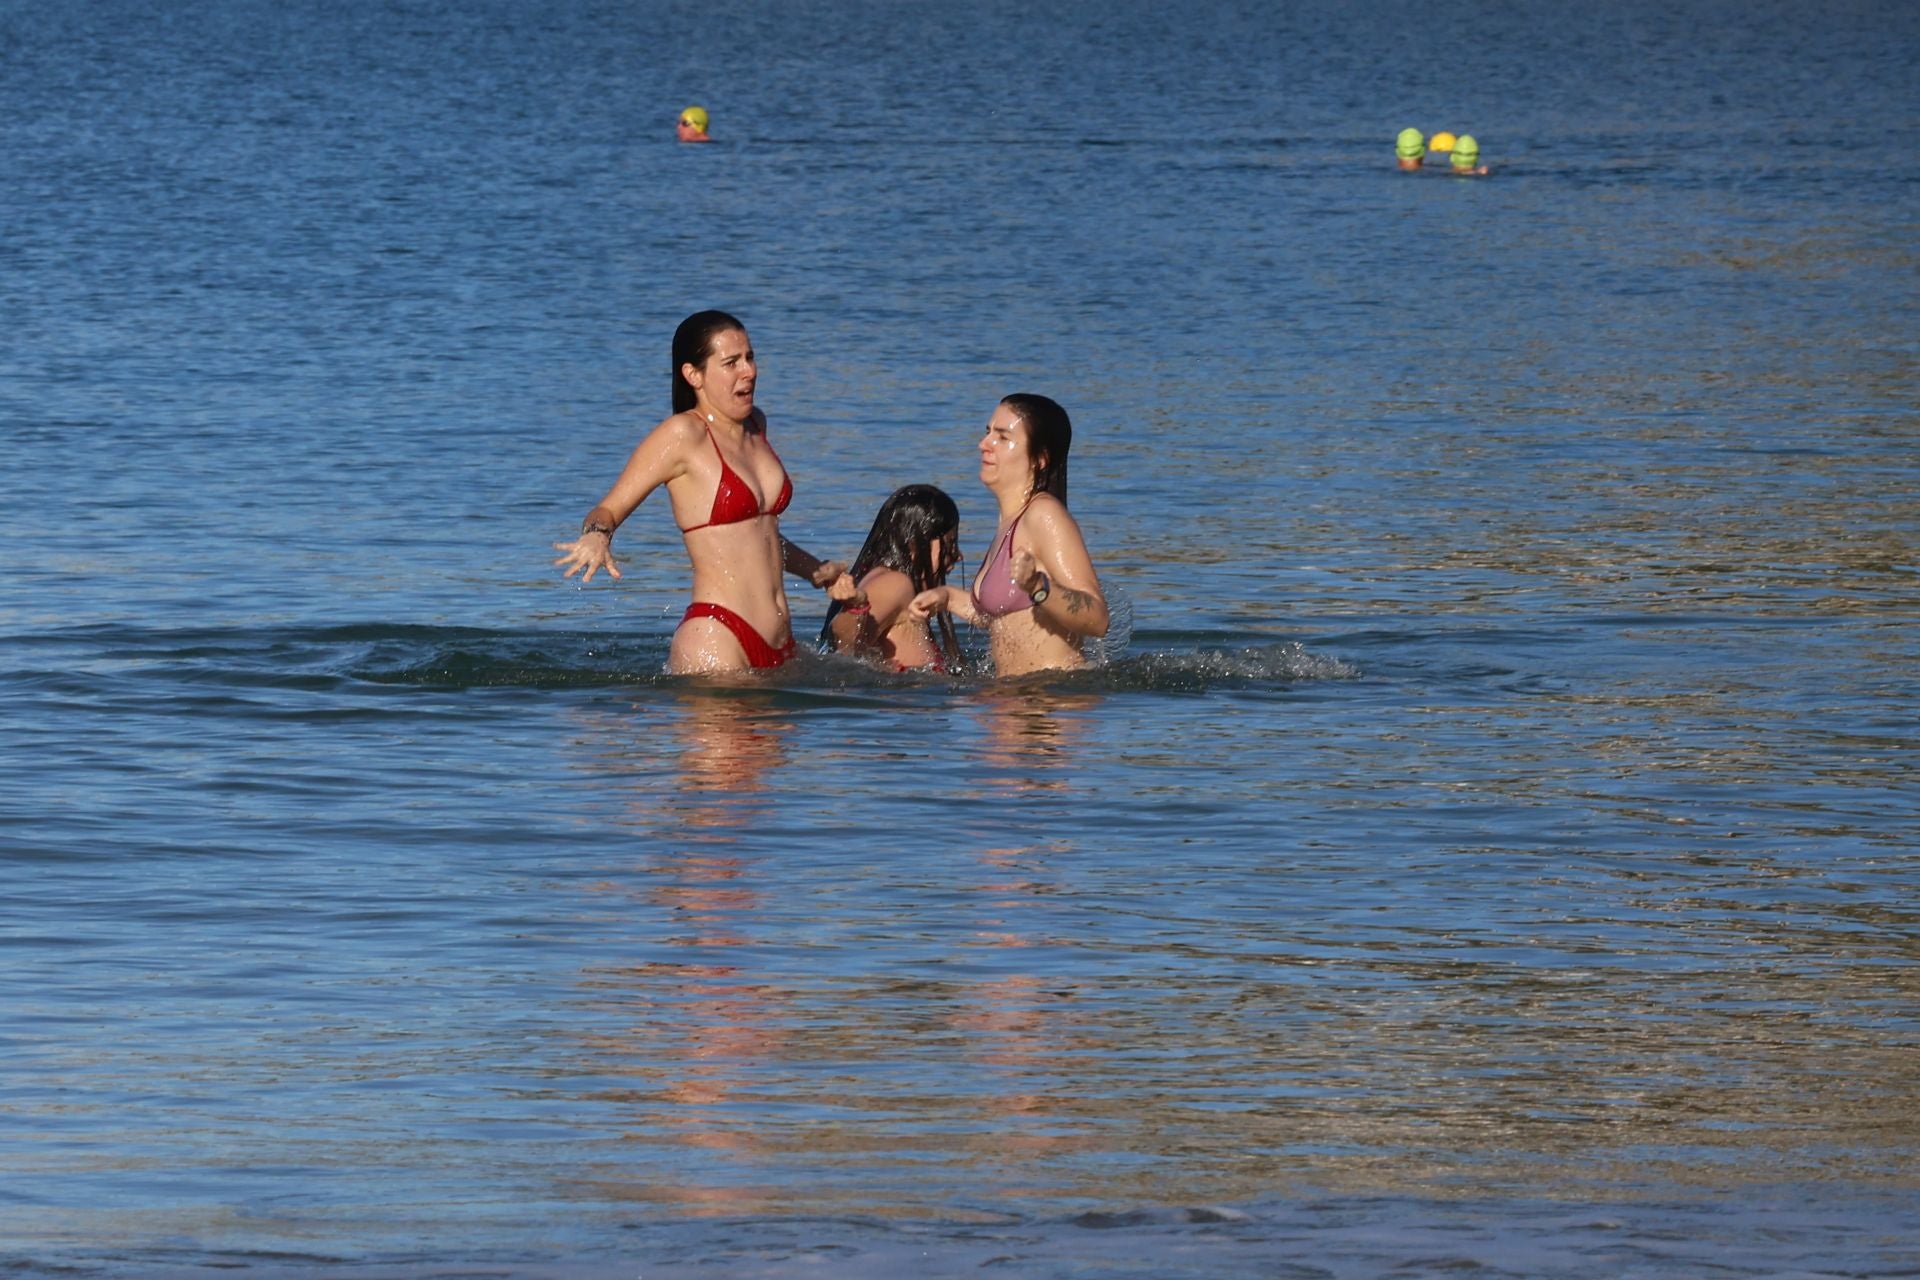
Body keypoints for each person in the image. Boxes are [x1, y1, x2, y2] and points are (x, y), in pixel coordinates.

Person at [552, 310, 851, 674]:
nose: (749, 371)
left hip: (779, 643)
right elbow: (607, 511)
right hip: (718, 637)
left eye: (750, 357)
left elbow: (755, 537)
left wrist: (817, 572)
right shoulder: (682, 436)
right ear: (693, 375)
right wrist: (597, 537)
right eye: (731, 363)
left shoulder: (757, 424)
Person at [908, 394, 1108, 676]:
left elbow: (1097, 619)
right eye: (988, 432)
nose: (984, 444)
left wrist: (1039, 586)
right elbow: (1005, 614)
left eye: (1002, 437)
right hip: (1013, 702)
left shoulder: (1044, 515)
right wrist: (948, 597)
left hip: (1050, 706)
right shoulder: (1010, 521)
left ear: (1040, 458)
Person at [820, 485, 964, 673]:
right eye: (950, 543)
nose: (958, 555)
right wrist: (856, 607)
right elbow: (842, 648)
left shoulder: (897, 583)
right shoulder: (895, 584)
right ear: (914, 542)